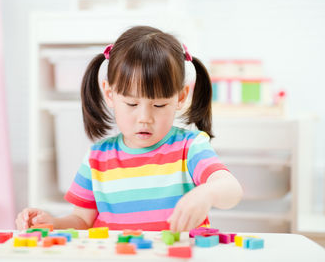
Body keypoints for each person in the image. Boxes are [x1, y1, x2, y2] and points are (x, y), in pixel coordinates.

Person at [16, 26, 243, 232]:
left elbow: (231, 189)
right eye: (132, 104)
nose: (144, 118)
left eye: (159, 105)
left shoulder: (190, 148)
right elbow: (82, 221)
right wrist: (52, 223)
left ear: (181, 97)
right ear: (110, 94)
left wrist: (207, 193)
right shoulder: (97, 157)